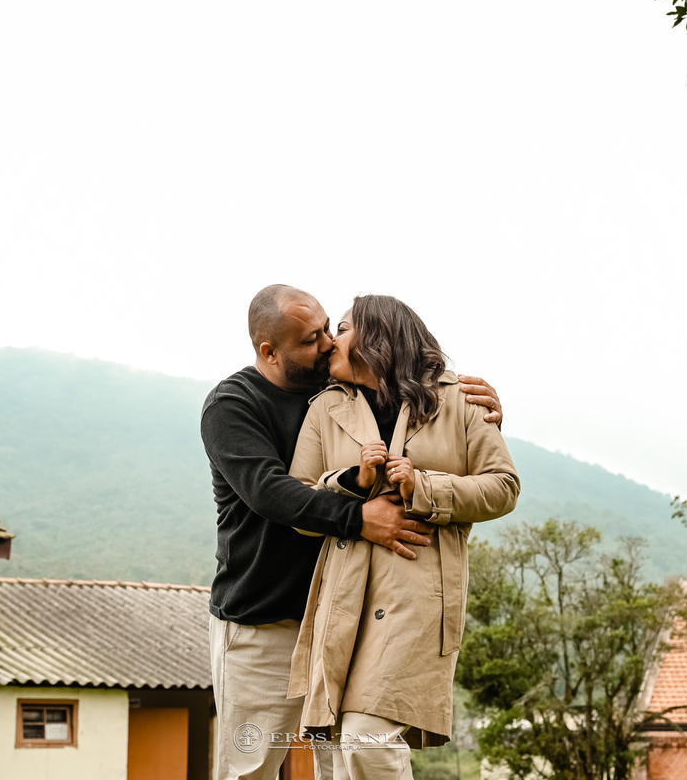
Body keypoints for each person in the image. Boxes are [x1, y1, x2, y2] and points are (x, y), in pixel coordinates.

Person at [202, 284, 504, 780]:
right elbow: (271, 492)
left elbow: (428, 421)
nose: (325, 343)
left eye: (328, 329)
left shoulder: (342, 390)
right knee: (249, 768)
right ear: (269, 351)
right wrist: (362, 518)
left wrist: (478, 414)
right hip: (264, 618)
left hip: (344, 619)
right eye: (311, 339)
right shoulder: (233, 405)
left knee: (342, 762)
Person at [287, 294, 520, 780]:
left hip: (418, 593)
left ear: (378, 338)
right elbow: (301, 505)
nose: (332, 342)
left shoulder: (462, 398)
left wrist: (424, 486)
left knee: (366, 739)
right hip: (345, 593)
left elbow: (503, 487)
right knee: (347, 751)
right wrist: (353, 482)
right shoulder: (325, 407)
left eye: (345, 328)